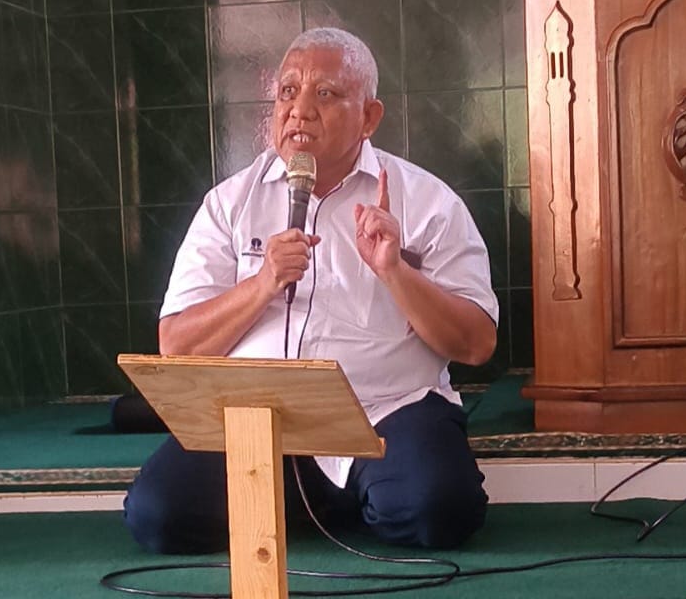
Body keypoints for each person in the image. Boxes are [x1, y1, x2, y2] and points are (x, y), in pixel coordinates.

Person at [123, 27, 498, 553]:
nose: (300, 111)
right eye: (287, 92)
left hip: (386, 411)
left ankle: (328, 498)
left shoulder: (426, 201)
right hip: (253, 419)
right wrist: (263, 283)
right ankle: (325, 500)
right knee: (157, 516)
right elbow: (177, 345)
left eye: (325, 93)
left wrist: (395, 271)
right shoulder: (228, 204)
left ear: (369, 117)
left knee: (438, 510)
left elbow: (477, 343)